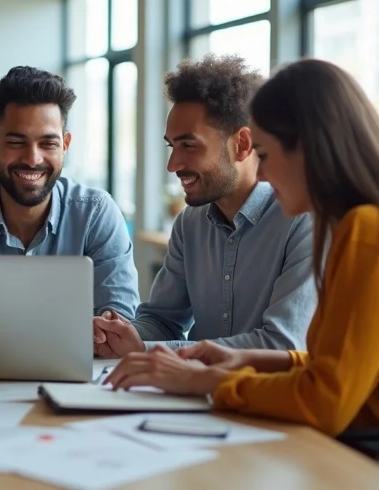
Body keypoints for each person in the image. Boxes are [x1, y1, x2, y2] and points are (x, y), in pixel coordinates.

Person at [105, 58, 379, 478]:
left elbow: (326, 402)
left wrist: (201, 381)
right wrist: (244, 361)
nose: (262, 173)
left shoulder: (371, 232)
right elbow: (332, 366)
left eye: (265, 154)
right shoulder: (370, 223)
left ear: (309, 151)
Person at [93, 55, 316, 356]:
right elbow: (161, 321)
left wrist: (152, 350)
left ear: (242, 144)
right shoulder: (189, 223)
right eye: (172, 146)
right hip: (193, 395)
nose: (173, 165)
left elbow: (282, 345)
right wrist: (118, 333)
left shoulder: (302, 220)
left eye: (189, 145)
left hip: (261, 399)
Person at [0, 66, 140, 319]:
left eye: (48, 143)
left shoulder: (96, 213)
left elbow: (120, 320)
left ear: (65, 145)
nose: (32, 159)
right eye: (17, 143)